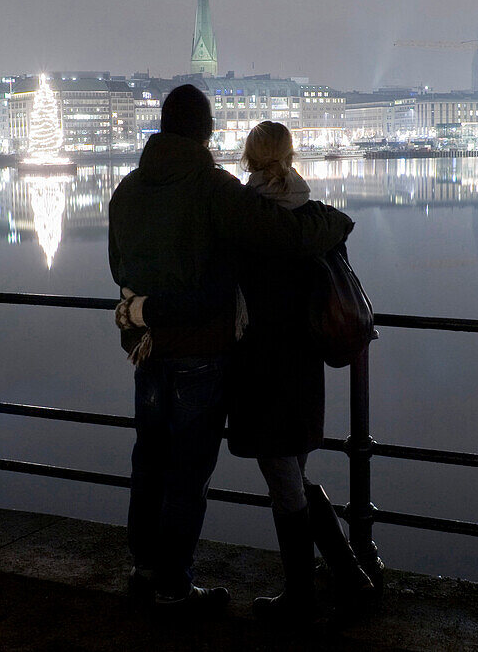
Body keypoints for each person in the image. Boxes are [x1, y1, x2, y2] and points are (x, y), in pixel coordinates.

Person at [107, 86, 353, 612]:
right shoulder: (213, 188)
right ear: (207, 131)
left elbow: (118, 268)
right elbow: (283, 236)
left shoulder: (126, 189)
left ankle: (143, 568)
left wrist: (148, 308)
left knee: (148, 461)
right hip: (200, 352)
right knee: (188, 473)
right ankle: (175, 585)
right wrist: (334, 221)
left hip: (146, 350)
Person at [226, 121, 374, 622]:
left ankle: (307, 594)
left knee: (281, 471)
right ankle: (348, 573)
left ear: (248, 159)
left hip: (260, 364)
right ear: (291, 157)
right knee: (292, 468)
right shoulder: (316, 217)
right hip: (305, 364)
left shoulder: (244, 218)